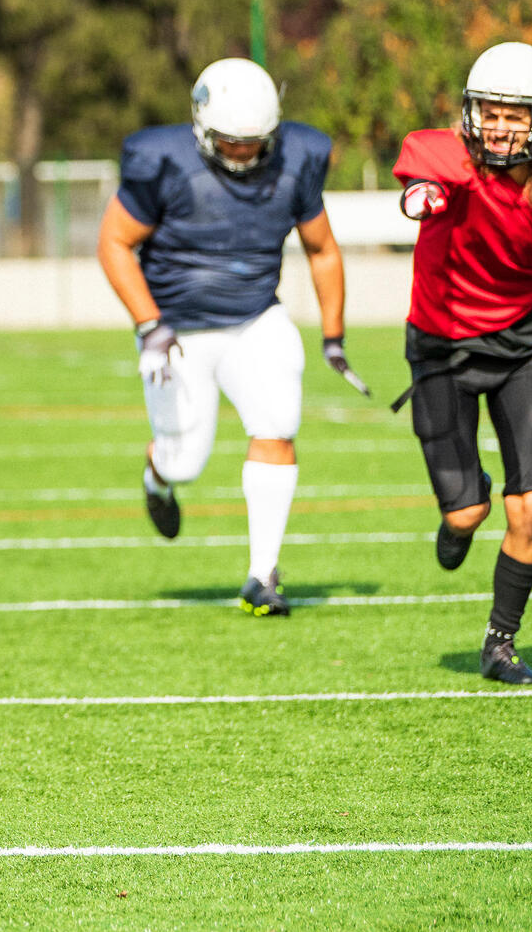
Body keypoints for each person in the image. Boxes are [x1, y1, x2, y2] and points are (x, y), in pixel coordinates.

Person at [97, 56, 365, 617]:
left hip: (254, 318)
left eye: (253, 142)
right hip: (175, 328)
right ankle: (158, 475)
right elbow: (113, 243)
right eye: (230, 141)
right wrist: (149, 323)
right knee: (184, 460)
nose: (242, 153)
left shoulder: (297, 158)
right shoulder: (162, 161)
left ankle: (262, 575)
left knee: (277, 424)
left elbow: (322, 248)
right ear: (200, 125)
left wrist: (334, 336)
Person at [390, 42, 532, 683]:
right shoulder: (445, 157)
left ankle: (500, 644)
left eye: (517, 116)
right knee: (467, 513)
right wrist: (424, 196)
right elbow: (422, 187)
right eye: (492, 113)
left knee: (530, 510)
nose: (502, 128)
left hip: (521, 345)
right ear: (472, 114)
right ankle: (455, 525)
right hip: (444, 347)